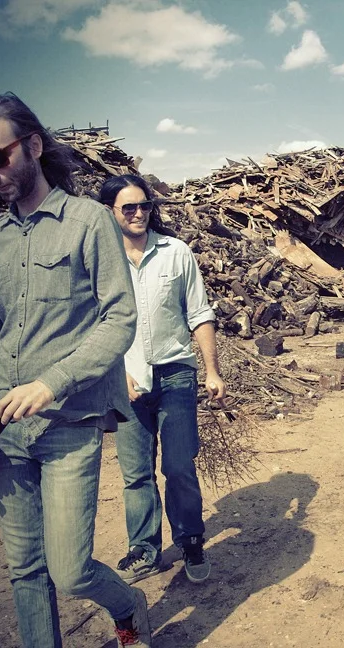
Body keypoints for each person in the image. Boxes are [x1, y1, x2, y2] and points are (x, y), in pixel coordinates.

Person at [0, 94, 151, 648]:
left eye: (1, 156)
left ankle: (129, 602)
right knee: (25, 571)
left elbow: (119, 320)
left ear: (34, 146)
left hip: (69, 423)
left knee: (68, 570)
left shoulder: (88, 223)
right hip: (3, 432)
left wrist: (50, 382)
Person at [98, 174, 225, 585]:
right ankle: (145, 549)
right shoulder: (99, 261)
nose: (139, 214)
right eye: (128, 208)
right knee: (136, 473)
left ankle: (190, 540)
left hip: (175, 376)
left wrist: (212, 370)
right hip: (126, 380)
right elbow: (91, 327)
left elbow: (199, 313)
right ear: (110, 212)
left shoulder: (176, 252)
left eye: (145, 206)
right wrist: (116, 375)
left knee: (178, 466)